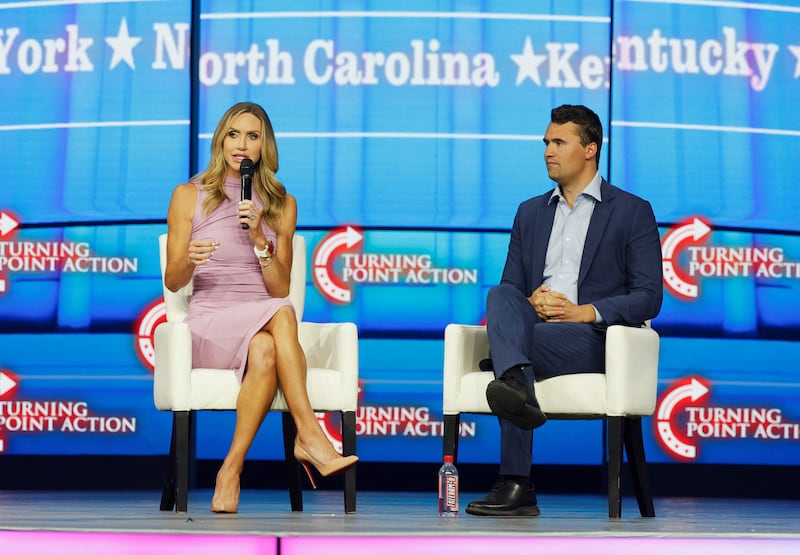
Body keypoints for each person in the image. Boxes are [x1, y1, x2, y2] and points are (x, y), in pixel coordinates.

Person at [465, 105, 663, 517]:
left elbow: (649, 297)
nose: (547, 152)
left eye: (558, 142)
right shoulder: (530, 211)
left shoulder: (631, 211)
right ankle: (515, 376)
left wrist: (586, 312)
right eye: (546, 143)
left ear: (590, 148)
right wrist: (530, 301)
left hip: (593, 340)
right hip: (534, 332)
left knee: (508, 358)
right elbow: (512, 291)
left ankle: (516, 482)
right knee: (500, 296)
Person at [164, 102, 358, 513]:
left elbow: (278, 285)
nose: (242, 144)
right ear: (221, 140)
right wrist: (190, 259)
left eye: (252, 136)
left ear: (264, 145)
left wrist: (259, 240)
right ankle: (310, 435)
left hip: (262, 320)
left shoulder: (282, 203)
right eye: (234, 134)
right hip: (210, 322)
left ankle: (230, 470)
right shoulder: (188, 195)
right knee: (284, 312)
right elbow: (173, 281)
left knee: (268, 345)